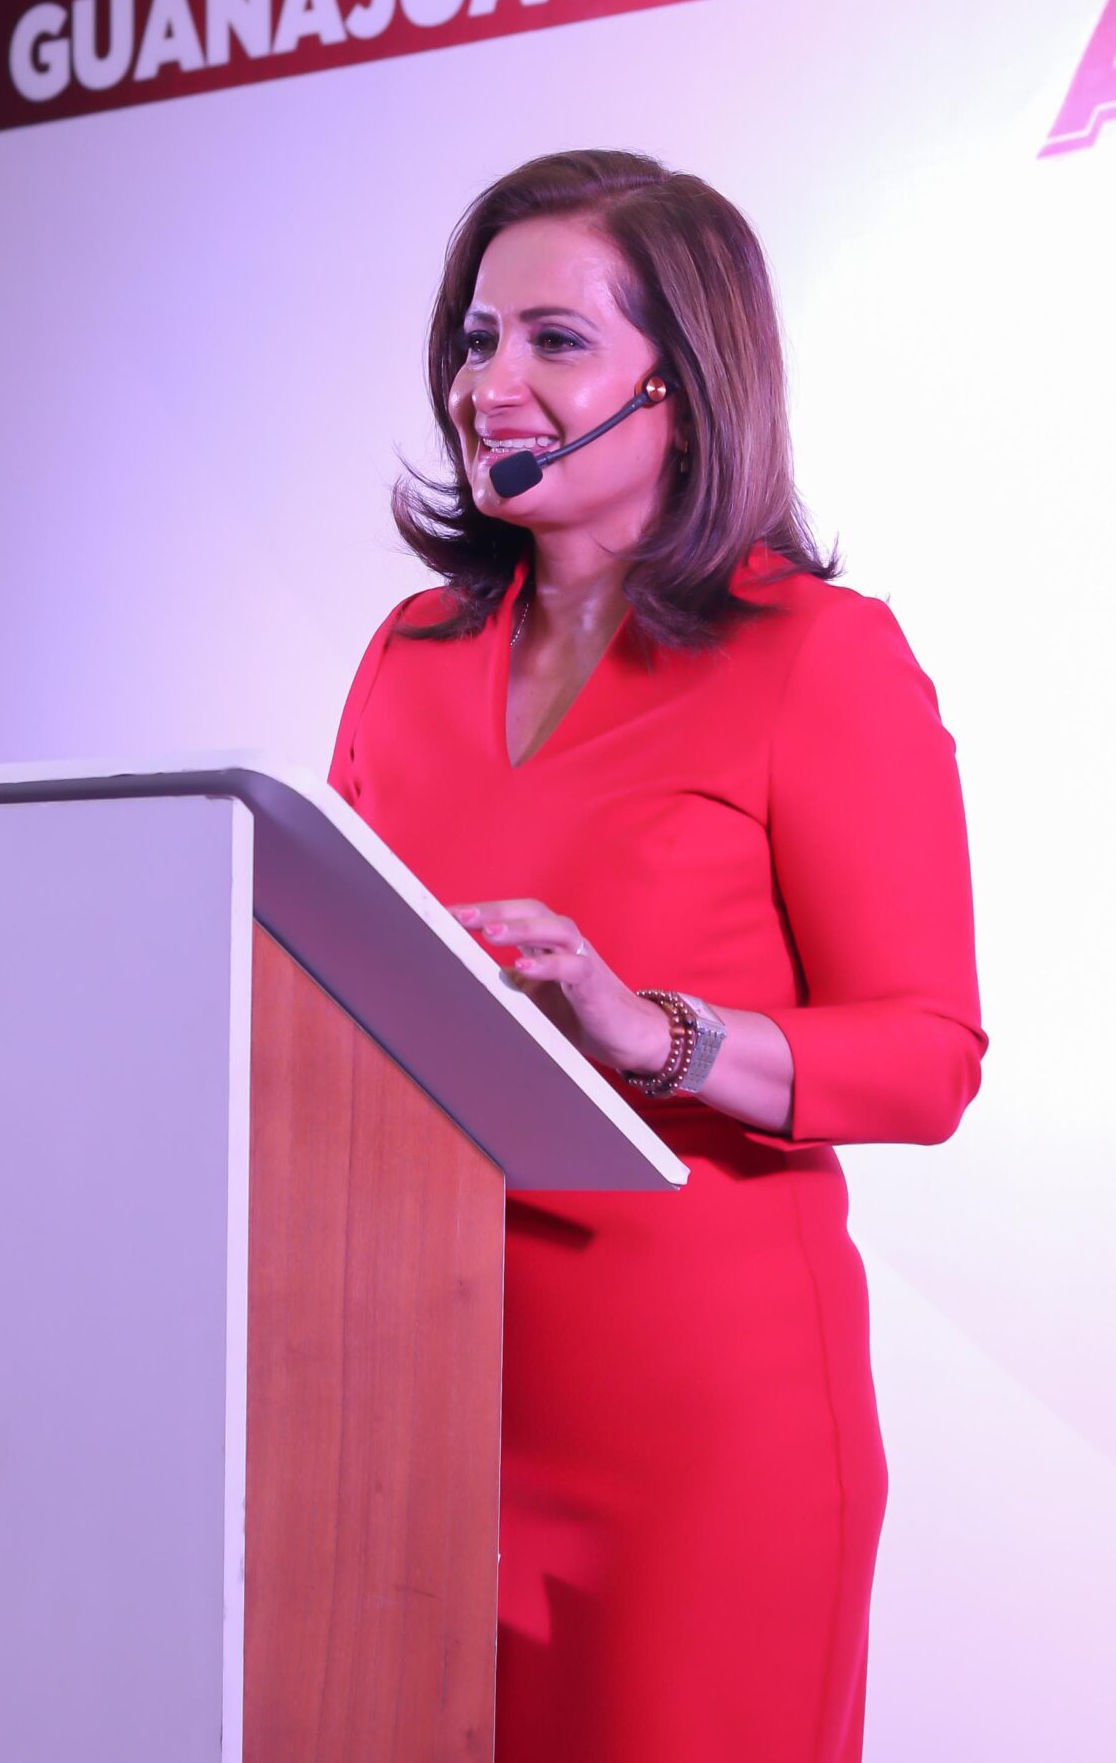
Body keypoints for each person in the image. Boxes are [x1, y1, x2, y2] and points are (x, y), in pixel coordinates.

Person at [327, 149, 986, 1763]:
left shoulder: (817, 656)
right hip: (428, 1407)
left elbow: (928, 1058)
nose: (491, 385)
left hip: (701, 1437)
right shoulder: (409, 659)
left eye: (555, 340)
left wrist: (652, 1032)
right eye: (477, 339)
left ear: (681, 389)